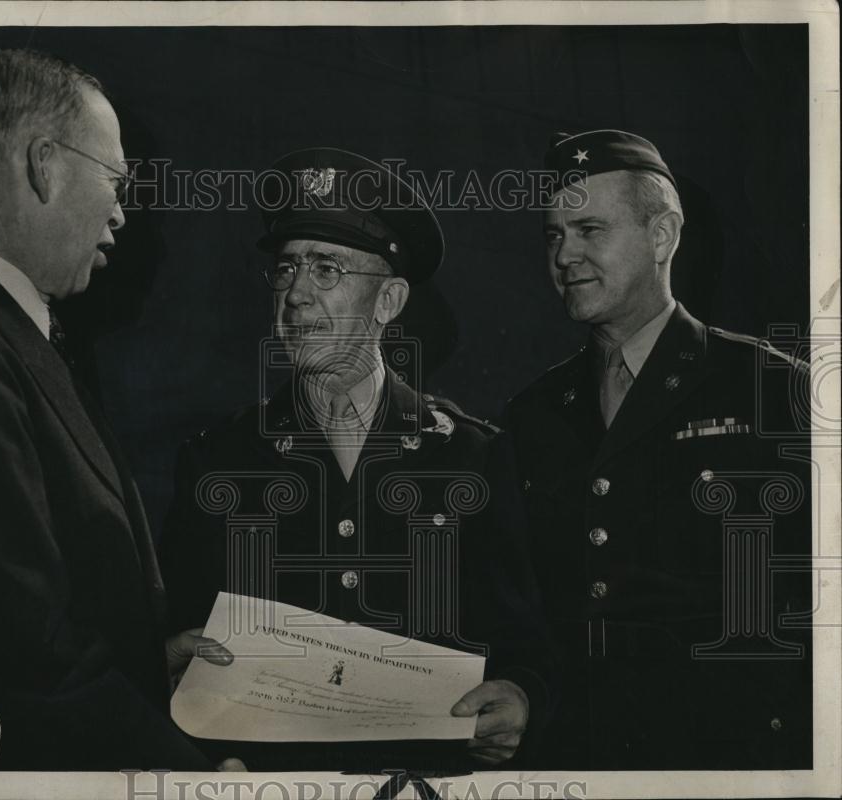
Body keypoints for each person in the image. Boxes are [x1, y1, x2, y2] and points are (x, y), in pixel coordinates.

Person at [0, 49, 236, 771]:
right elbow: (14, 643)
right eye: (116, 180)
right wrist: (194, 778)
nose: (124, 213)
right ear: (44, 163)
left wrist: (141, 660)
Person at [159, 148, 551, 772]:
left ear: (389, 302)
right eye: (287, 270)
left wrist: (524, 697)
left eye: (327, 270)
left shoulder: (472, 456)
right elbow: (175, 641)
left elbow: (524, 642)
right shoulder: (216, 461)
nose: (297, 297)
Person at [501, 129, 812, 769]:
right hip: (577, 756)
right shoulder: (533, 414)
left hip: (727, 756)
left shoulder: (772, 390)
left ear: (663, 236)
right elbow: (526, 609)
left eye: (590, 229)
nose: (565, 255)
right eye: (554, 235)